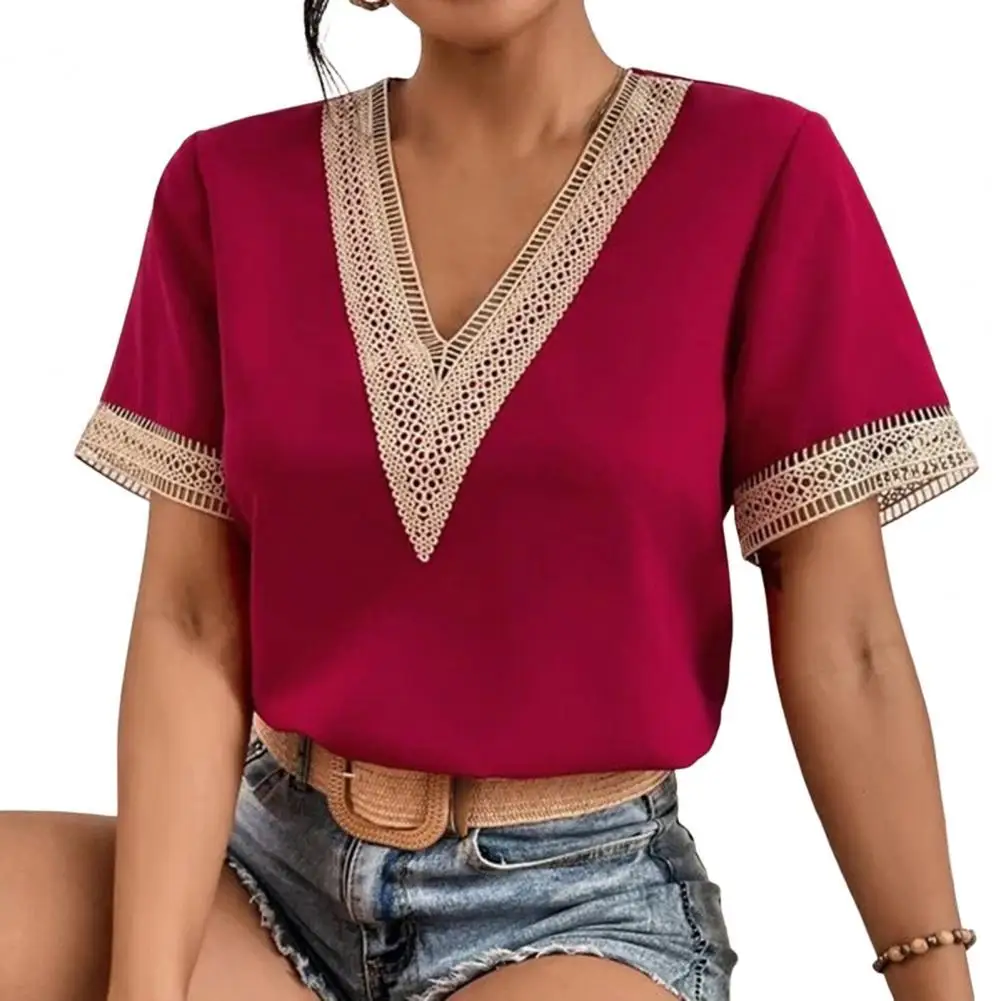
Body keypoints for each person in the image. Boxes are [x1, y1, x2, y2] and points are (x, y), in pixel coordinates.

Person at [0, 1, 981, 1000]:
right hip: (261, 873)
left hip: (578, 906)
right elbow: (191, 619)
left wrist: (933, 974)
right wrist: (145, 984)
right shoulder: (227, 185)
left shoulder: (762, 170)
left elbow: (848, 639)